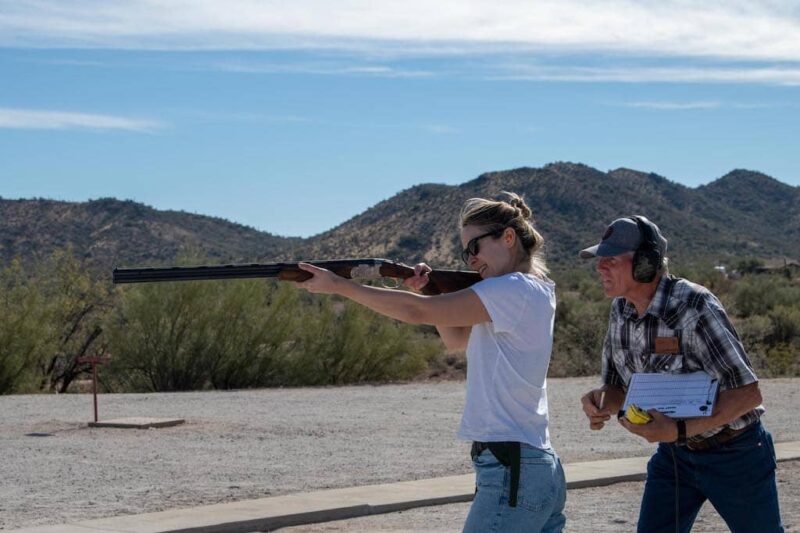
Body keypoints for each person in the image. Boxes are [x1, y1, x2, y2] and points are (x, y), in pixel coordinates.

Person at [294, 192, 566, 532]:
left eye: (474, 248)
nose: (470, 260)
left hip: (513, 466)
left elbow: (414, 312)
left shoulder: (512, 290)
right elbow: (455, 340)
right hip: (531, 464)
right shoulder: (530, 290)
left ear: (508, 238)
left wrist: (340, 286)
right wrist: (431, 290)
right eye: (465, 252)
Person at [579, 216, 783, 533]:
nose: (600, 267)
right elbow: (617, 385)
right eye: (600, 259)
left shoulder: (695, 307)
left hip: (736, 454)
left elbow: (747, 393)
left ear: (646, 262)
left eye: (611, 260)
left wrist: (680, 431)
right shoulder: (621, 309)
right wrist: (602, 401)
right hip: (674, 457)